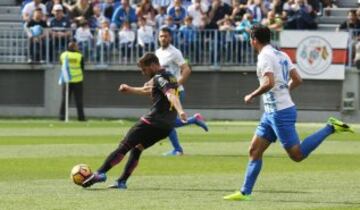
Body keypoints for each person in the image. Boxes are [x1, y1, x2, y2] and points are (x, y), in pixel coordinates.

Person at [223, 25, 354, 201]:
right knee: (254, 150)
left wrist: (251, 95)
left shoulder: (264, 57)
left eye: (250, 39)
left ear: (254, 40)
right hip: (272, 112)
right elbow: (298, 79)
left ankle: (330, 127)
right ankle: (245, 192)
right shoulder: (281, 54)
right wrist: (284, 91)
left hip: (280, 112)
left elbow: (269, 83)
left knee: (297, 155)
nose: (249, 42)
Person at [82, 52, 187, 189]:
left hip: (151, 122)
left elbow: (171, 95)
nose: (143, 73)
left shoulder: (160, 78)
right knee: (137, 149)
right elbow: (148, 91)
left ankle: (100, 173)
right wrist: (129, 89)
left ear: (154, 65)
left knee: (124, 146)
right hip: (166, 127)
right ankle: (121, 182)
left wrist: (181, 111)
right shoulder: (170, 77)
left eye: (145, 69)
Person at [155, 27, 208, 156]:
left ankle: (192, 123)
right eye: (161, 36)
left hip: (176, 92)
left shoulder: (175, 52)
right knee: (167, 122)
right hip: (164, 92)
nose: (163, 38)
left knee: (166, 122)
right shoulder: (157, 52)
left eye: (166, 36)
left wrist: (177, 84)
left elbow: (186, 69)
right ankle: (178, 148)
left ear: (170, 38)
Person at [59, 41, 86, 122]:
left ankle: (62, 117)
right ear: (74, 47)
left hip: (67, 80)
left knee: (65, 99)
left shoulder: (63, 55)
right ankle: (81, 118)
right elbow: (82, 67)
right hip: (78, 80)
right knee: (79, 100)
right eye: (76, 46)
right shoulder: (79, 55)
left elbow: (61, 64)